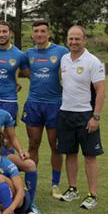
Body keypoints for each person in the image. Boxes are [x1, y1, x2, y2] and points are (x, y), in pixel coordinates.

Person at [57, 25, 105, 209]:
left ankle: (92, 194)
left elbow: (101, 91)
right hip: (65, 113)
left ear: (84, 40)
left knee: (90, 155)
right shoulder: (63, 59)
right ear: (67, 40)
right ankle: (72, 188)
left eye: (77, 38)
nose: (74, 42)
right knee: (70, 153)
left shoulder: (93, 61)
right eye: (71, 38)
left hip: (86, 115)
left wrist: (96, 117)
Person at [21, 20, 69, 198]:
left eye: (43, 31)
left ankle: (55, 184)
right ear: (32, 35)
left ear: (48, 34)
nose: (39, 34)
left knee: (55, 146)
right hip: (34, 104)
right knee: (33, 144)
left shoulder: (61, 51)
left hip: (55, 104)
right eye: (36, 31)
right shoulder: (29, 53)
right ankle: (30, 182)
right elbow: (23, 71)